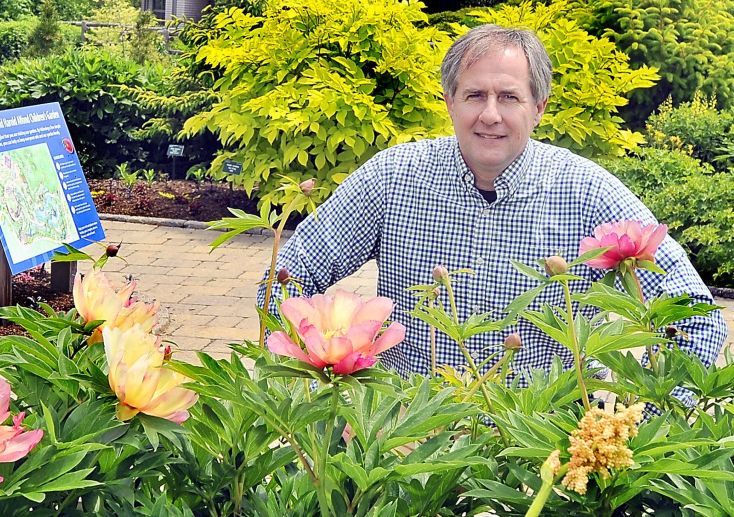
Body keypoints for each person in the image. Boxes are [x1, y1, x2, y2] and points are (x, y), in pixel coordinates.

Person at [259, 24, 728, 379]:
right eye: (474, 95)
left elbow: (696, 320)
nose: (490, 114)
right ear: (449, 101)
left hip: (541, 452)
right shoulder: (393, 177)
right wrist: (331, 376)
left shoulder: (589, 192)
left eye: (509, 97)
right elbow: (282, 284)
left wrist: (630, 433)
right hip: (406, 445)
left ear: (538, 107)